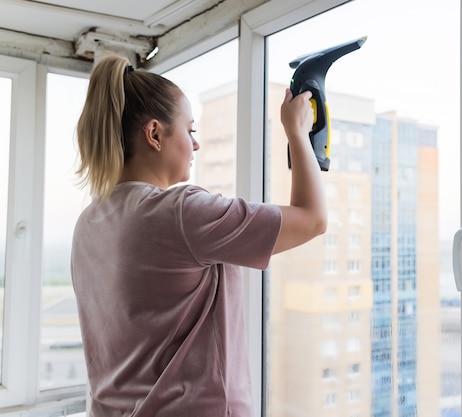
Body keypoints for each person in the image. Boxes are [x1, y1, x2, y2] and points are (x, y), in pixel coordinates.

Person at [71, 53, 327, 417]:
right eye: (190, 130)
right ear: (155, 134)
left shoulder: (88, 224)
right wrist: (297, 133)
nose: (196, 145)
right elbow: (312, 219)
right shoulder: (180, 212)